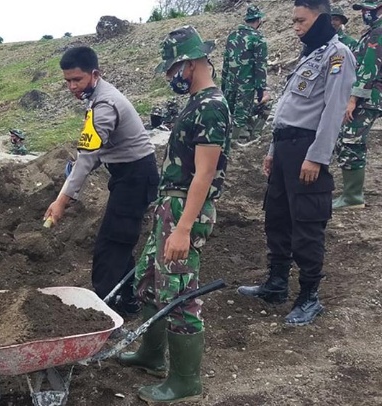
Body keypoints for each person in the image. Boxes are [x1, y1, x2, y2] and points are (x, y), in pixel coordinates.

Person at [118, 26, 231, 403]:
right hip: (170, 206)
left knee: (179, 294)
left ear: (189, 63)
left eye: (171, 70)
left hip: (185, 209)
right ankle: (152, 355)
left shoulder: (213, 106)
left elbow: (204, 173)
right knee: (152, 280)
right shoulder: (197, 103)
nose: (170, 78)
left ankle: (185, 381)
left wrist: (183, 229)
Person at [238, 0, 355, 326]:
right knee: (277, 217)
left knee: (306, 225)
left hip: (307, 150)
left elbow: (333, 112)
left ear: (321, 18)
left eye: (300, 20)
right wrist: (273, 151)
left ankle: (309, 297)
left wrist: (317, 157)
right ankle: (276, 284)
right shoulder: (310, 56)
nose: (295, 27)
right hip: (286, 149)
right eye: (294, 21)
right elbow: (287, 111)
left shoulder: (337, 56)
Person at [44, 46, 159, 316]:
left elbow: (88, 157)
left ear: (94, 74)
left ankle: (102, 313)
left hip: (135, 177)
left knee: (110, 247)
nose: (72, 86)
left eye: (77, 80)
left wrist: (62, 201)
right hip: (129, 175)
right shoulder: (97, 96)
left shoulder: (105, 104)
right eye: (67, 81)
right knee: (120, 240)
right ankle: (127, 302)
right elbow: (92, 152)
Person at [333, 1, 382, 209]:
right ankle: (351, 193)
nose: (364, 13)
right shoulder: (373, 31)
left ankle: (353, 197)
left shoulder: (378, 32)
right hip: (368, 96)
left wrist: (353, 99)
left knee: (351, 140)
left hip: (367, 97)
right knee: (348, 139)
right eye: (363, 10)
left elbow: (369, 69)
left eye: (368, 10)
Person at [221, 4, 270, 146]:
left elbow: (226, 62)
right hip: (246, 85)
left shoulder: (232, 36)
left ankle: (231, 137)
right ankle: (235, 144)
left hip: (230, 83)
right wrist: (261, 90)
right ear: (258, 20)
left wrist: (223, 86)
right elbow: (261, 67)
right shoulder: (258, 39)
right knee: (241, 115)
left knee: (230, 112)